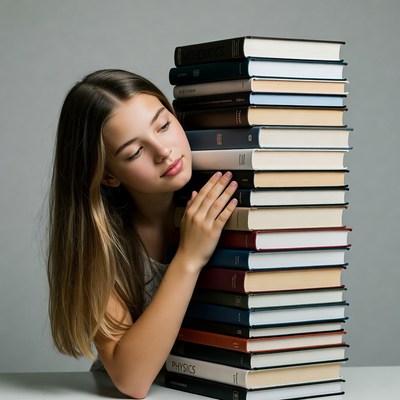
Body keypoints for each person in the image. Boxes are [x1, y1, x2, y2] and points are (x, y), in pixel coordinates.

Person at [46, 69, 238, 398]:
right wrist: (189, 259)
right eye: (134, 152)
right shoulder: (98, 245)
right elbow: (131, 380)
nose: (164, 151)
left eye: (164, 125)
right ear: (108, 176)